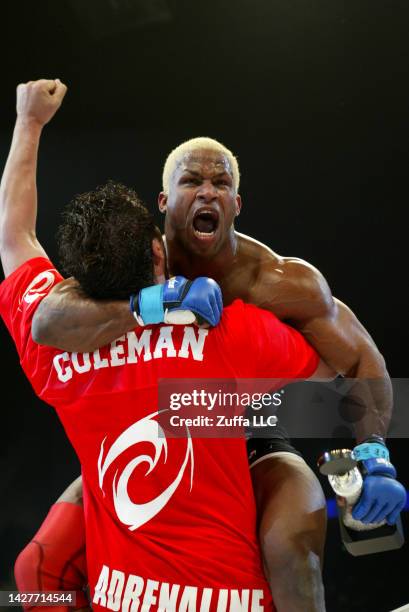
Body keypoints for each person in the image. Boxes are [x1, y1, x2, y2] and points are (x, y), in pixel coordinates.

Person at [25, 83, 406, 609]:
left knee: (292, 550)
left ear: (236, 203)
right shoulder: (134, 260)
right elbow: (47, 321)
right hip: (144, 434)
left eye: (221, 183)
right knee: (36, 566)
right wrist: (156, 301)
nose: (207, 192)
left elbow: (361, 359)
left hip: (248, 433)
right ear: (164, 200)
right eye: (192, 181)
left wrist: (374, 455)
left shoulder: (277, 283)